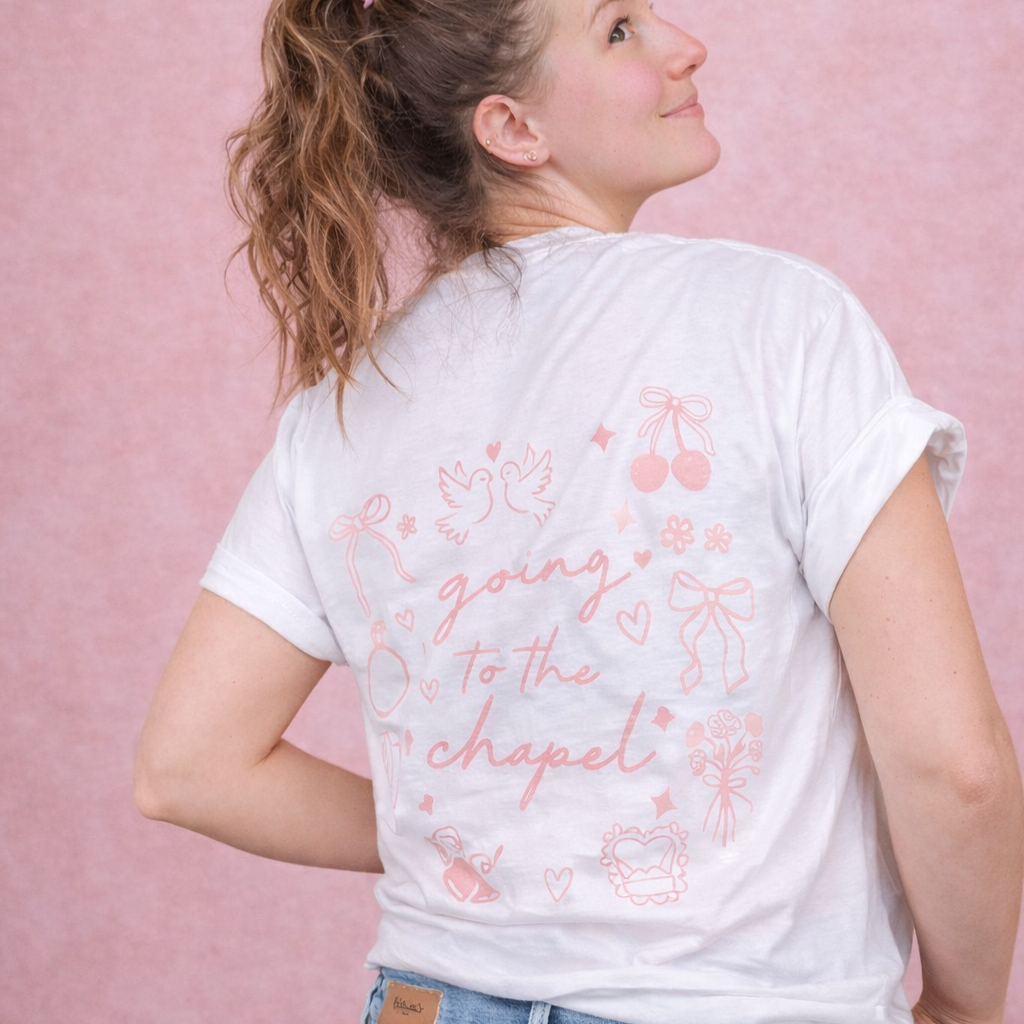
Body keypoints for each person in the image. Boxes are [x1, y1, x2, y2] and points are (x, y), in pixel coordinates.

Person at [133, 0, 1024, 1022]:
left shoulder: (341, 406)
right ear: (513, 129)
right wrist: (962, 1004)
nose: (685, 44)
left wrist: (502, 824)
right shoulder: (783, 326)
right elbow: (955, 767)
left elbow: (191, 766)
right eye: (617, 30)